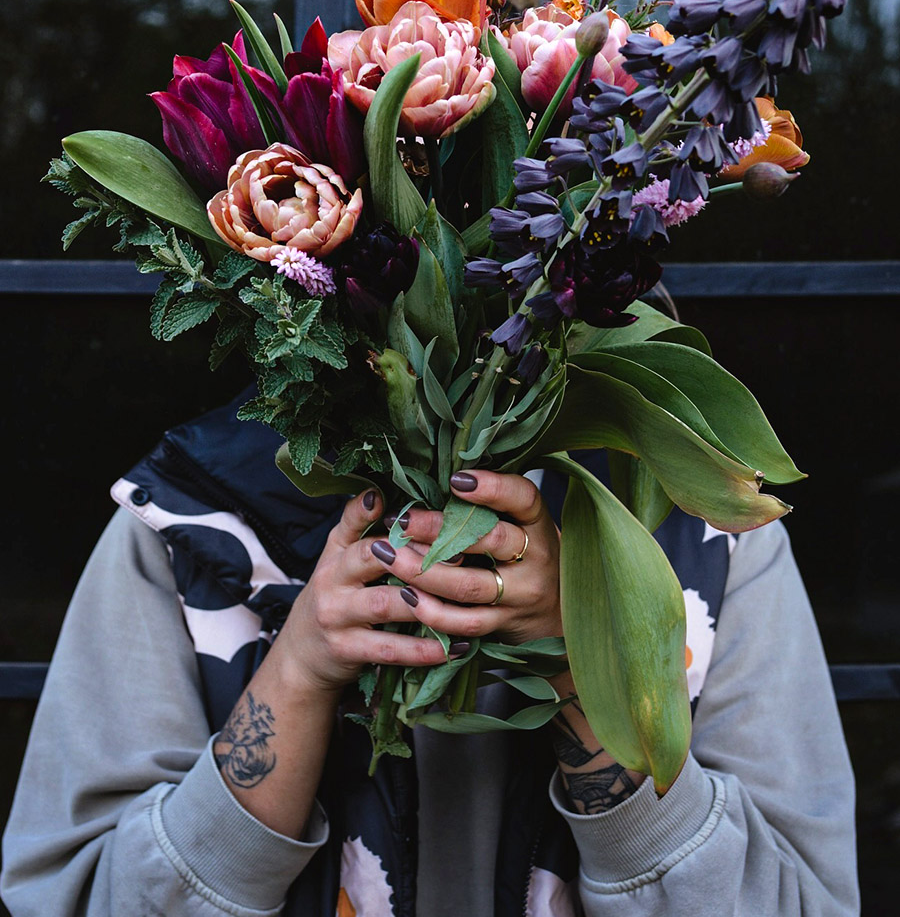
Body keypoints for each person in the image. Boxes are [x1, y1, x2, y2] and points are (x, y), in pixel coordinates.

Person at [1, 390, 859, 916]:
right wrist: (298, 671)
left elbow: (799, 903)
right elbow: (70, 899)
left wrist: (583, 652)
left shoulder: (704, 527)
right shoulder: (190, 525)